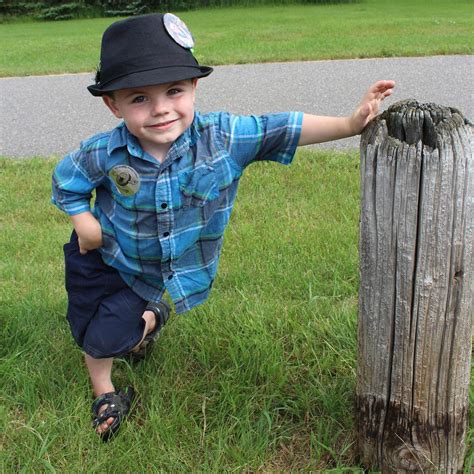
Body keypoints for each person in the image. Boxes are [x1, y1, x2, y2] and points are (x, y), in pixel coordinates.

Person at [51, 12, 394, 442]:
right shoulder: (104, 151)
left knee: (109, 335)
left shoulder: (224, 138)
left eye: (174, 91)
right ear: (112, 103)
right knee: (86, 328)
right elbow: (67, 179)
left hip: (152, 275)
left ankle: (145, 325)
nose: (160, 109)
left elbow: (281, 127)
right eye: (139, 98)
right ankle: (106, 386)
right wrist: (83, 222)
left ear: (194, 88)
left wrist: (348, 124)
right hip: (101, 256)